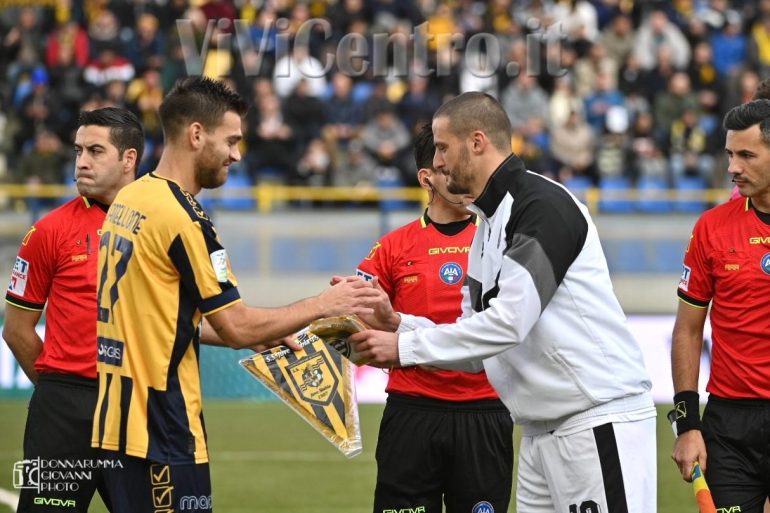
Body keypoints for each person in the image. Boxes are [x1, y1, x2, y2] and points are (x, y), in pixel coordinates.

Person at [350, 91, 657, 513]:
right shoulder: (488, 224)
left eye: (442, 147)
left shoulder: (541, 206)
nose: (435, 162)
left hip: (594, 421)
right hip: (538, 430)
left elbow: (508, 324)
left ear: (477, 142)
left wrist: (402, 348)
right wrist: (398, 322)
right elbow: (477, 347)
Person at [90, 76, 379, 513]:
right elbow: (237, 324)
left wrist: (254, 333)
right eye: (231, 140)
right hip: (161, 433)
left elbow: (158, 316)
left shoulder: (131, 198)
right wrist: (325, 304)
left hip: (115, 424)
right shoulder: (183, 218)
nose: (237, 154)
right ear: (196, 135)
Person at [355, 123, 513, 513]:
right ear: (428, 176)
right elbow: (357, 315)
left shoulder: (499, 238)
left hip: (486, 408)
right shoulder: (392, 247)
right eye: (450, 164)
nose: (464, 173)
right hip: (413, 410)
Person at [3, 107, 145, 512]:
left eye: (96, 151)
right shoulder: (47, 231)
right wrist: (58, 391)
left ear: (128, 159)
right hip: (62, 415)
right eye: (79, 149)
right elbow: (16, 330)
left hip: (136, 406)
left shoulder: (161, 225)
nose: (81, 160)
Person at [671, 99, 770, 512]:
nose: (733, 167)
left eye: (747, 155)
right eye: (730, 154)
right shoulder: (711, 227)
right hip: (729, 427)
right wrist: (687, 424)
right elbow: (688, 330)